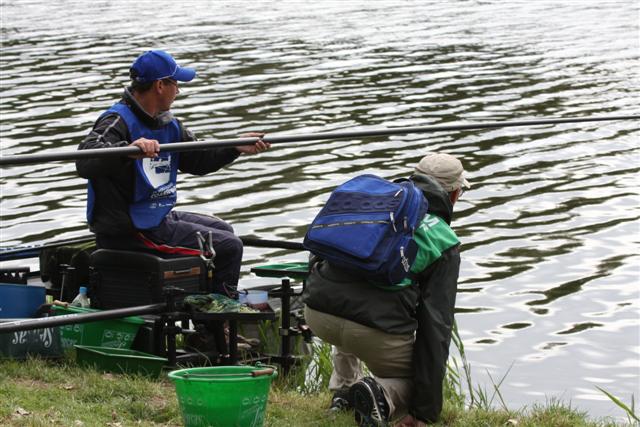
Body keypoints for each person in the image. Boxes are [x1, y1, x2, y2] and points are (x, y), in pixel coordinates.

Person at [76, 50, 270, 295]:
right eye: (176, 83)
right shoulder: (117, 120)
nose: (178, 90)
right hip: (129, 229)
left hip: (156, 216)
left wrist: (234, 147)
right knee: (229, 247)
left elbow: (198, 160)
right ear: (160, 85)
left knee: (223, 230)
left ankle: (200, 300)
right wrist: (127, 151)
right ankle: (219, 313)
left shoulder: (169, 123)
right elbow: (85, 160)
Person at [302, 152, 469, 426]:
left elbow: (320, 254)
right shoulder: (443, 240)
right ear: (453, 195)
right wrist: (424, 411)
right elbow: (435, 326)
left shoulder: (373, 203)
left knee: (350, 287)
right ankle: (382, 395)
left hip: (317, 313)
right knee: (416, 382)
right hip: (371, 332)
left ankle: (344, 392)